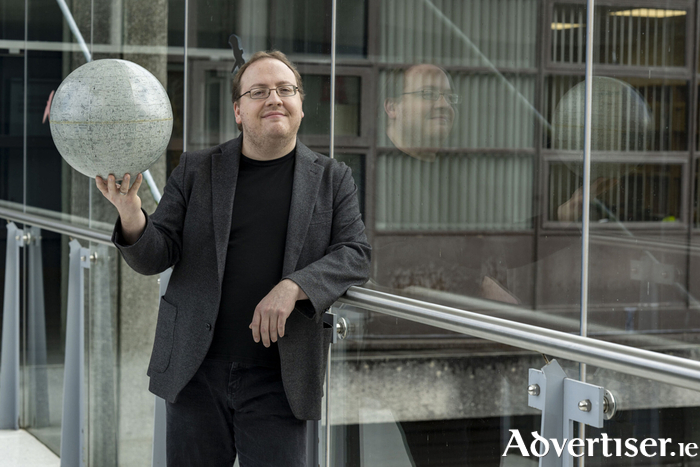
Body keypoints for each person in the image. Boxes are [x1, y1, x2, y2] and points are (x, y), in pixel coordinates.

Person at [96, 50, 371, 466]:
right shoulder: (196, 169)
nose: (275, 98)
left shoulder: (334, 179)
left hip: (281, 378)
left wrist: (294, 287)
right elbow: (156, 254)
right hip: (194, 372)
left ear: (300, 105)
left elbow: (355, 254)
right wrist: (131, 213)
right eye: (259, 91)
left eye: (285, 89)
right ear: (238, 110)